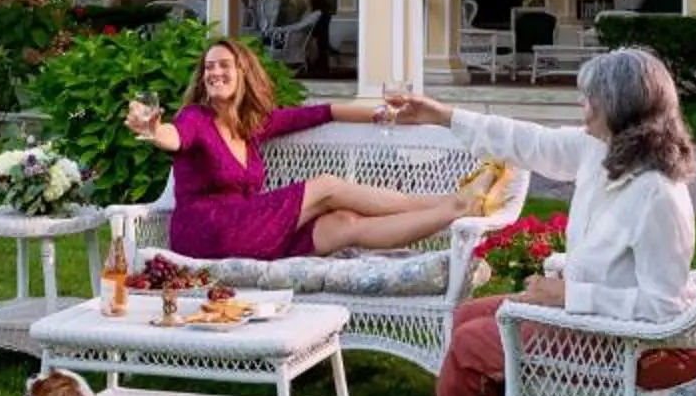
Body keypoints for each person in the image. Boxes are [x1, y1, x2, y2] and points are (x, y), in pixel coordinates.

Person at [381, 46, 696, 396]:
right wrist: (441, 115)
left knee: (475, 344)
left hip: (615, 340)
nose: (583, 107)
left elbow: (664, 309)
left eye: (590, 98)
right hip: (578, 316)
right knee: (469, 316)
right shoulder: (603, 152)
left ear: (621, 107)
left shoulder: (659, 196)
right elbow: (527, 141)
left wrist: (570, 294)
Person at [120, 37, 497, 260]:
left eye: (224, 65)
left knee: (343, 225)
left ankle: (453, 212)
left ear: (243, 73)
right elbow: (174, 136)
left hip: (248, 230)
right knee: (327, 186)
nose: (214, 73)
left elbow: (323, 112)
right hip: (207, 233)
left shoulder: (253, 126)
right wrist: (153, 130)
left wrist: (394, 116)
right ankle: (451, 201)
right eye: (208, 68)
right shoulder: (195, 118)